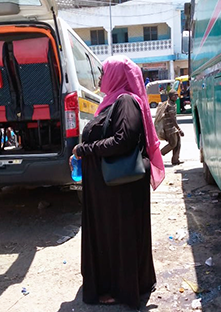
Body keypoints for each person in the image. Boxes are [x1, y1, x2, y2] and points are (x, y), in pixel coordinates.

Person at [70, 55, 165, 310]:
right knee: (113, 237)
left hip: (120, 190)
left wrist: (85, 149)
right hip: (112, 190)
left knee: (118, 236)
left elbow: (124, 140)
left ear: (117, 76)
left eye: (104, 73)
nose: (101, 79)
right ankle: (118, 283)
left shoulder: (125, 101)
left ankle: (121, 289)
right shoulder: (112, 102)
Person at [155, 90, 184, 165]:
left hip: (173, 128)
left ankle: (175, 160)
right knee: (173, 144)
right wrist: (179, 129)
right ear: (170, 96)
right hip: (170, 129)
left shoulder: (172, 104)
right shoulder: (170, 105)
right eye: (174, 95)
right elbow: (172, 119)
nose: (176, 97)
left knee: (178, 144)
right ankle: (157, 155)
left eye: (177, 95)